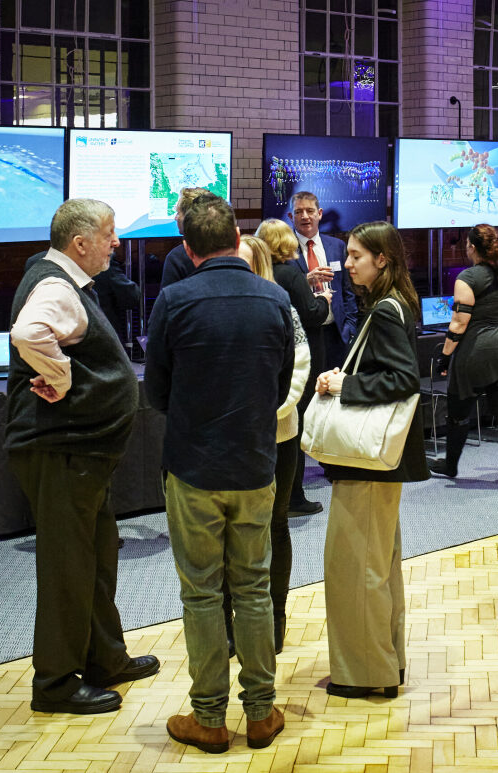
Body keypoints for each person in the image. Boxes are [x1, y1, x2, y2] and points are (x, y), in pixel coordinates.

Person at [146, 197, 293, 754]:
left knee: (202, 594)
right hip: (255, 465)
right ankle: (260, 713)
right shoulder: (275, 297)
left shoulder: (175, 299)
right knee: (254, 588)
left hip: (192, 467)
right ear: (238, 240)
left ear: (188, 247)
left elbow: (155, 391)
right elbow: (280, 386)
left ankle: (209, 718)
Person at [7, 199, 159, 715]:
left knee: (96, 558)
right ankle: (54, 683)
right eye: (110, 234)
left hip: (81, 452)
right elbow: (29, 335)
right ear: (81, 243)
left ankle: (104, 658)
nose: (116, 243)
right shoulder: (54, 283)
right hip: (63, 450)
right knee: (68, 567)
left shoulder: (63, 279)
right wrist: (63, 376)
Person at [314, 221, 429, 699]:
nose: (347, 262)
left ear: (382, 259)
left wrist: (346, 385)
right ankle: (384, 662)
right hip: (379, 463)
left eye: (357, 255)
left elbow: (404, 379)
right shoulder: (395, 302)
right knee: (377, 564)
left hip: (367, 461)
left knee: (356, 567)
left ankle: (366, 674)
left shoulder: (383, 311)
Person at [229, 233, 312, 654]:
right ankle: (230, 625)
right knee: (231, 531)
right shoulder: (224, 305)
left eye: (244, 263)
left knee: (275, 525)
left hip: (279, 434)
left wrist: (273, 411)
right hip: (234, 438)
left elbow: (300, 365)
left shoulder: (282, 305)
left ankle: (275, 620)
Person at [427, 224, 498, 488]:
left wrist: (445, 357)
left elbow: (458, 323)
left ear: (472, 247)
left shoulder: (467, 277)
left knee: (458, 411)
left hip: (478, 352)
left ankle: (450, 465)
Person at [287, 191, 358, 516]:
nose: (305, 217)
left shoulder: (337, 247)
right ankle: (297, 481)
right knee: (303, 406)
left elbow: (348, 293)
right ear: (292, 217)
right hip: (304, 338)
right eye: (299, 212)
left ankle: (334, 466)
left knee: (336, 402)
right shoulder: (286, 250)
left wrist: (350, 329)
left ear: (319, 213)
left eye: (310, 211)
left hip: (334, 336)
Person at [258, 218, 332, 522]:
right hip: (302, 356)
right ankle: (295, 496)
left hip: (273, 357)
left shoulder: (262, 273)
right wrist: (324, 300)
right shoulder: (292, 273)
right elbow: (312, 315)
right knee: (294, 426)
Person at [160, 187, 214, 289]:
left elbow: (168, 301)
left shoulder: (177, 257)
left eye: (178, 213)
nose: (175, 218)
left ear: (189, 217)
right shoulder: (228, 250)